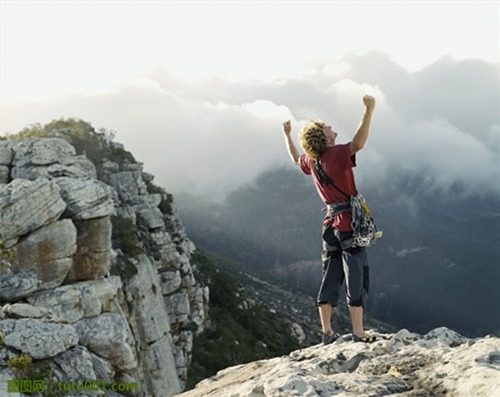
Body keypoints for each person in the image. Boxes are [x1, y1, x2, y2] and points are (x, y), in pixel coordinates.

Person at [281, 94, 376, 345]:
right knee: (355, 273)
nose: (332, 128)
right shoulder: (334, 155)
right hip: (348, 223)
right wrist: (369, 110)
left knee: (330, 274)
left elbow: (294, 158)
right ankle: (358, 334)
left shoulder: (312, 160)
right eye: (328, 128)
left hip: (330, 224)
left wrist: (287, 135)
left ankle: (327, 332)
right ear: (325, 138)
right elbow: (358, 143)